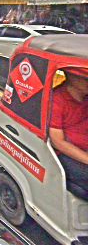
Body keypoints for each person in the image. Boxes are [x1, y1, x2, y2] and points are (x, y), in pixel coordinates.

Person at [50, 69, 88, 197]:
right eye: (86, 78)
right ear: (72, 76)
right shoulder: (56, 101)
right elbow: (58, 142)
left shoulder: (85, 96)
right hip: (67, 153)